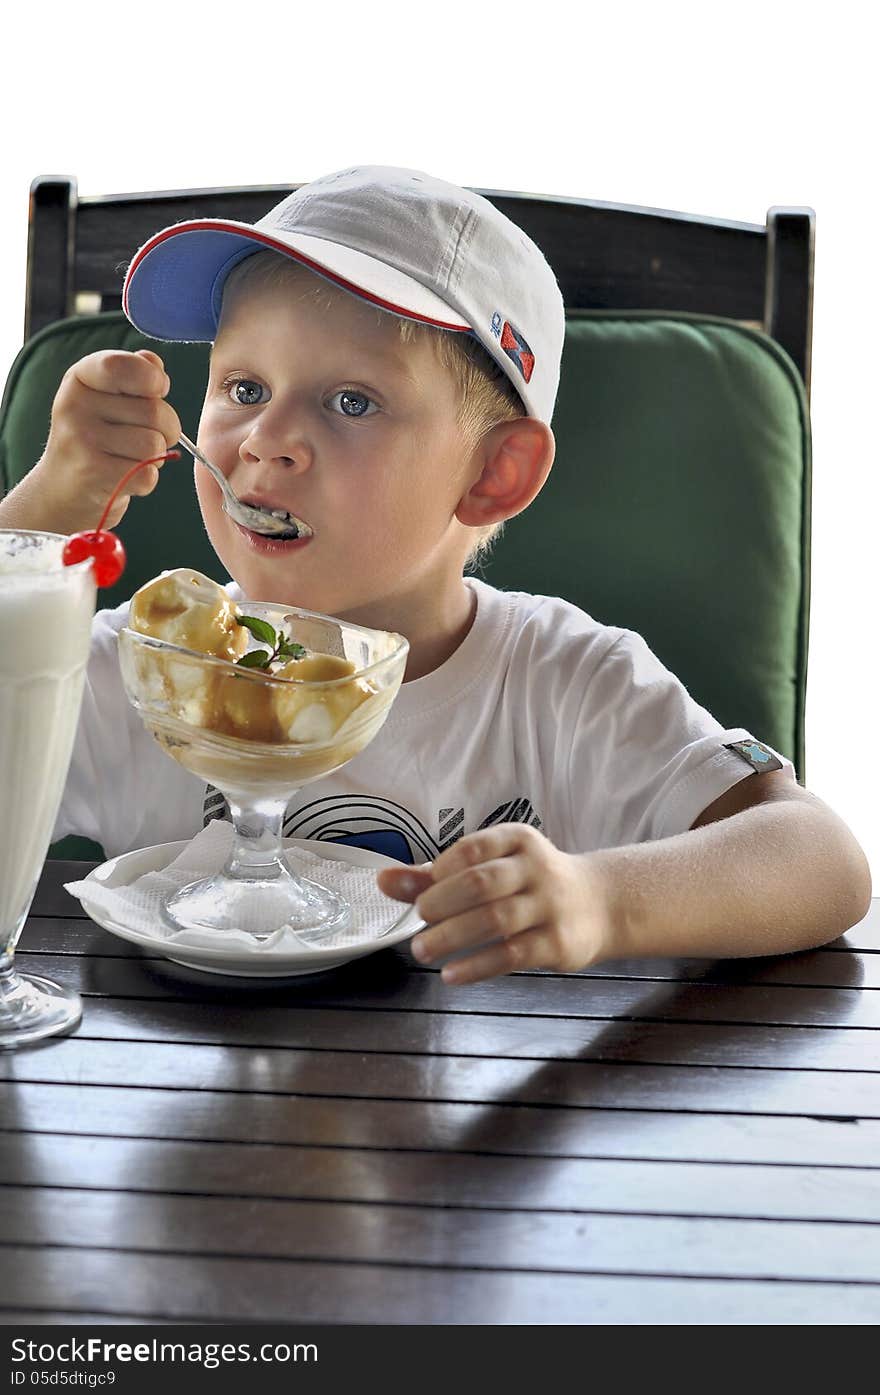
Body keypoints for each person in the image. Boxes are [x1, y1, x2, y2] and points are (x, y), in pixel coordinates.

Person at [0, 165, 870, 985]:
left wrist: (601, 900)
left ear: (495, 475)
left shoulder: (562, 681)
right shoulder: (148, 668)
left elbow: (819, 857)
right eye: (246, 387)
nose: (265, 439)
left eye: (352, 402)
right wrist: (47, 509)